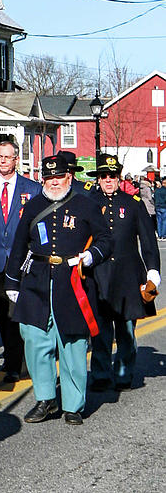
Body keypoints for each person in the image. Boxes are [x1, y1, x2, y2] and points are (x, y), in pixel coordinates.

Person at [4, 153, 113, 425]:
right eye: (49, 177)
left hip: (72, 281)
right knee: (35, 340)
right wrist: (12, 282)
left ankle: (73, 404)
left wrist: (90, 256)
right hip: (37, 280)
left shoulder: (85, 205)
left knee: (72, 344)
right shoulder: (33, 206)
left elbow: (105, 240)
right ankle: (45, 398)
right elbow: (19, 245)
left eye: (59, 177)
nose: (54, 182)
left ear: (69, 176)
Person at [87, 153, 160, 391]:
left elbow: (148, 242)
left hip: (128, 276)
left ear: (119, 178)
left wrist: (153, 271)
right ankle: (100, 373)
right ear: (98, 178)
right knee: (100, 329)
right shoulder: (89, 204)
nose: (108, 180)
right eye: (104, 176)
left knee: (127, 329)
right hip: (99, 274)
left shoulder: (133, 204)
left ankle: (123, 373)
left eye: (113, 176)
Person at [0, 140, 41, 382]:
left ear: (16, 160)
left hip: (23, 261)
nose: (3, 161)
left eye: (7, 157)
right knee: (4, 314)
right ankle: (13, 360)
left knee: (22, 313)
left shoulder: (32, 189)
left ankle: (24, 358)